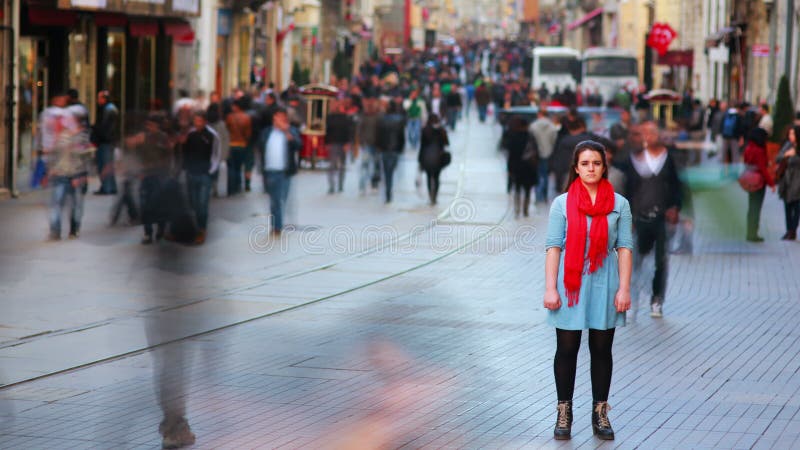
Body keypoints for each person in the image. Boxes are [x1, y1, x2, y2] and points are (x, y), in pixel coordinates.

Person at [543, 140, 633, 441]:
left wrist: (624, 289)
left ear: (604, 166)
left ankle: (600, 413)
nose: (591, 168)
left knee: (601, 350)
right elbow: (554, 248)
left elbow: (624, 248)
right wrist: (550, 289)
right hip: (571, 285)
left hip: (605, 284)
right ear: (576, 167)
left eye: (596, 163)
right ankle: (563, 412)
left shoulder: (620, 204)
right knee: (567, 349)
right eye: (585, 164)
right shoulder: (561, 204)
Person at [621, 121, 682, 317]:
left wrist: (675, 208)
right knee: (635, 259)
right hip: (638, 218)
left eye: (650, 133)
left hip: (661, 218)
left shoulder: (668, 158)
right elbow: (627, 189)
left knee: (661, 260)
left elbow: (676, 185)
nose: (647, 137)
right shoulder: (633, 159)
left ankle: (657, 299)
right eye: (643, 133)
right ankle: (631, 295)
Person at [43, 92, 93, 240]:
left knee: (74, 205)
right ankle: (55, 231)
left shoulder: (81, 137)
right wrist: (50, 170)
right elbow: (54, 153)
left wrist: (82, 175)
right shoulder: (62, 135)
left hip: (76, 175)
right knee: (58, 203)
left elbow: (86, 157)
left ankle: (74, 229)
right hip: (61, 173)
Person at [257, 108, 301, 235]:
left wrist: (286, 132)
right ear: (274, 118)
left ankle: (277, 226)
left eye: (283, 117)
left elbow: (297, 146)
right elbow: (260, 148)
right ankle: (276, 226)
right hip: (270, 171)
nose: (280, 120)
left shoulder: (291, 131)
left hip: (285, 172)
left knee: (281, 199)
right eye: (278, 117)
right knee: (274, 200)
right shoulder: (266, 132)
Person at [182, 111, 222, 244]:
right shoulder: (190, 134)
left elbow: (216, 154)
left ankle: (202, 230)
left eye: (200, 121)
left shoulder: (212, 135)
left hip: (205, 174)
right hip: (191, 173)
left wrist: (211, 170)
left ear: (205, 121)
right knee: (193, 203)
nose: (197, 123)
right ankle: (194, 228)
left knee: (202, 204)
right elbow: (185, 152)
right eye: (195, 121)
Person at [742, 127, 776, 242]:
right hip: (759, 182)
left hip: (749, 180)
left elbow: (746, 163)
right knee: (756, 208)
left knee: (751, 207)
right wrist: (771, 183)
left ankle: (749, 232)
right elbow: (763, 169)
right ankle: (753, 234)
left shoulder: (748, 148)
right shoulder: (759, 150)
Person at [503, 116, 538, 217]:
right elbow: (535, 151)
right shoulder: (530, 137)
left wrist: (509, 168)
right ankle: (525, 210)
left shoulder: (513, 136)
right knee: (527, 189)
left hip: (516, 166)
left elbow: (510, 154)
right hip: (528, 166)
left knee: (517, 188)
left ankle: (517, 209)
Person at [376, 101, 406, 203]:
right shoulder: (399, 120)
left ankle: (388, 191)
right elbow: (402, 136)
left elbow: (379, 135)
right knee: (391, 172)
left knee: (386, 172)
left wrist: (379, 146)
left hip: (385, 149)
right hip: (395, 149)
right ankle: (389, 190)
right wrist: (401, 148)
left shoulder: (382, 120)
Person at [92, 90, 119, 195]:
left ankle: (107, 187)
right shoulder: (110, 108)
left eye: (99, 98)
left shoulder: (107, 109)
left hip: (106, 141)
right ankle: (111, 187)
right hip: (108, 141)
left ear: (104, 99)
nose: (98, 100)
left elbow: (104, 127)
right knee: (108, 165)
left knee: (104, 165)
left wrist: (96, 132)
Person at [530, 107, 559, 203]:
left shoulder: (533, 126)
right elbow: (554, 141)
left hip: (536, 153)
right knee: (545, 174)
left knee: (537, 174)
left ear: (539, 114)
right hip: (548, 153)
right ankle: (545, 194)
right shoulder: (552, 127)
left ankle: (538, 195)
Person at [418, 114, 449, 205]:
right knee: (436, 177)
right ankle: (434, 196)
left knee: (428, 176)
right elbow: (447, 143)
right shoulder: (441, 130)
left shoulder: (425, 130)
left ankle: (430, 196)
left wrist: (420, 159)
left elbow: (422, 145)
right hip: (439, 157)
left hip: (427, 156)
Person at [325, 99, 354, 194]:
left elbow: (350, 132)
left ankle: (341, 185)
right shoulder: (330, 117)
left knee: (342, 165)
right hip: (333, 143)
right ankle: (332, 186)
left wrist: (348, 143)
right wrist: (327, 143)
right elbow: (327, 131)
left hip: (343, 143)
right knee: (332, 165)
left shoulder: (347, 118)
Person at [777, 125, 800, 240]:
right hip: (786, 181)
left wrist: (795, 155)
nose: (791, 136)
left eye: (793, 134)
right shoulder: (787, 146)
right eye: (790, 134)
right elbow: (778, 157)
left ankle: (793, 230)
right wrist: (786, 154)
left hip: (797, 181)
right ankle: (788, 230)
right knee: (787, 206)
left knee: (796, 206)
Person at [225, 99, 252, 195]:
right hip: (242, 145)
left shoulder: (229, 117)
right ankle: (238, 186)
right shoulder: (246, 118)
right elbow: (248, 134)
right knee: (239, 167)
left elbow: (227, 130)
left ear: (236, 106)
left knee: (231, 168)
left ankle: (231, 188)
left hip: (232, 144)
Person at [359, 98, 383, 194]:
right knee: (368, 165)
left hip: (374, 145)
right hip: (369, 144)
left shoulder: (378, 117)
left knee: (373, 165)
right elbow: (360, 130)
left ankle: (371, 184)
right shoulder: (367, 117)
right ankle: (364, 185)